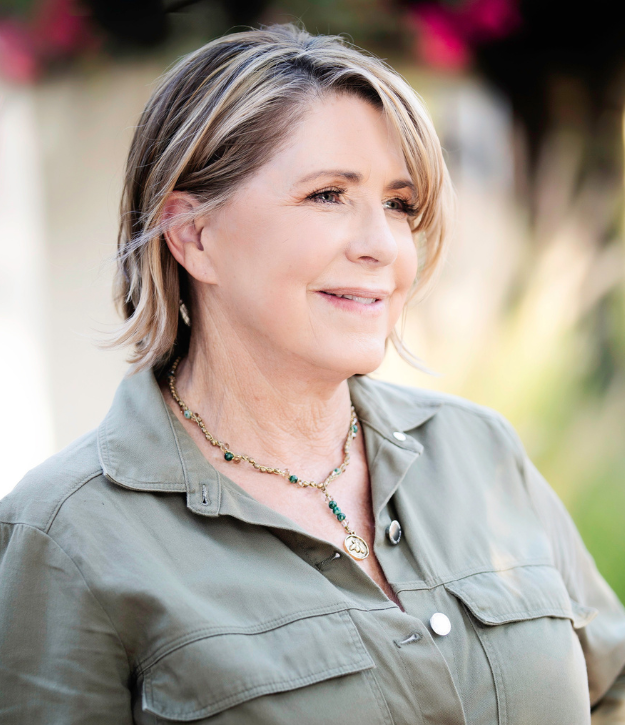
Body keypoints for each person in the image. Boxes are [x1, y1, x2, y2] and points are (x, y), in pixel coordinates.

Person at [1, 23, 624, 725]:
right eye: (328, 194)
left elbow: (610, 689)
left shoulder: (479, 452)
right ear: (192, 235)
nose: (381, 246)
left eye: (399, 204)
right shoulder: (69, 533)